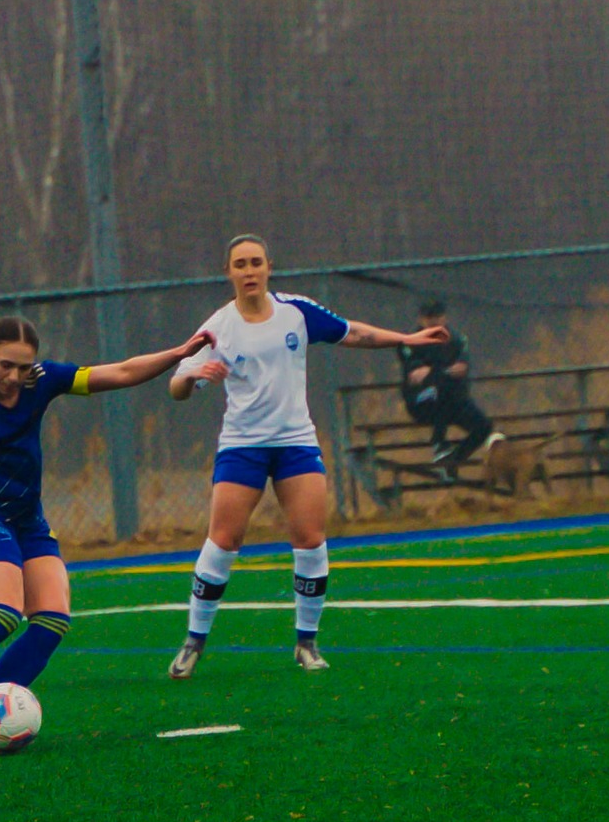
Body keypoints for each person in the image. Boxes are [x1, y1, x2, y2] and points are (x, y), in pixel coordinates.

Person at [0, 315, 212, 750]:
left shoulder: (43, 381)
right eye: (5, 365)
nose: (14, 377)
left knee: (51, 619)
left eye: (23, 368)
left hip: (27, 519)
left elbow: (120, 372)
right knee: (4, 612)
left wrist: (177, 354)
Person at [165, 234, 450, 677]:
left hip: (296, 441)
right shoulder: (217, 327)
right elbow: (177, 387)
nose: (249, 271)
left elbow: (353, 332)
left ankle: (307, 644)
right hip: (243, 445)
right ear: (229, 273)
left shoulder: (295, 311)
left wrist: (407, 338)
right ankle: (193, 642)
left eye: (256, 262)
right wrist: (197, 374)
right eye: (240, 264)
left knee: (311, 538)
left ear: (269, 267)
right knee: (224, 539)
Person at [398, 298, 498, 465]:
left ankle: (453, 460)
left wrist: (434, 371)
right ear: (420, 320)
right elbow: (417, 376)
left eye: (437, 316)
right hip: (422, 402)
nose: (433, 321)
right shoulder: (409, 343)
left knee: (484, 427)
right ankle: (439, 444)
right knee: (440, 389)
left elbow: (460, 370)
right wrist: (445, 371)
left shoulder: (458, 340)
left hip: (455, 401)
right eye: (428, 317)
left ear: (445, 318)